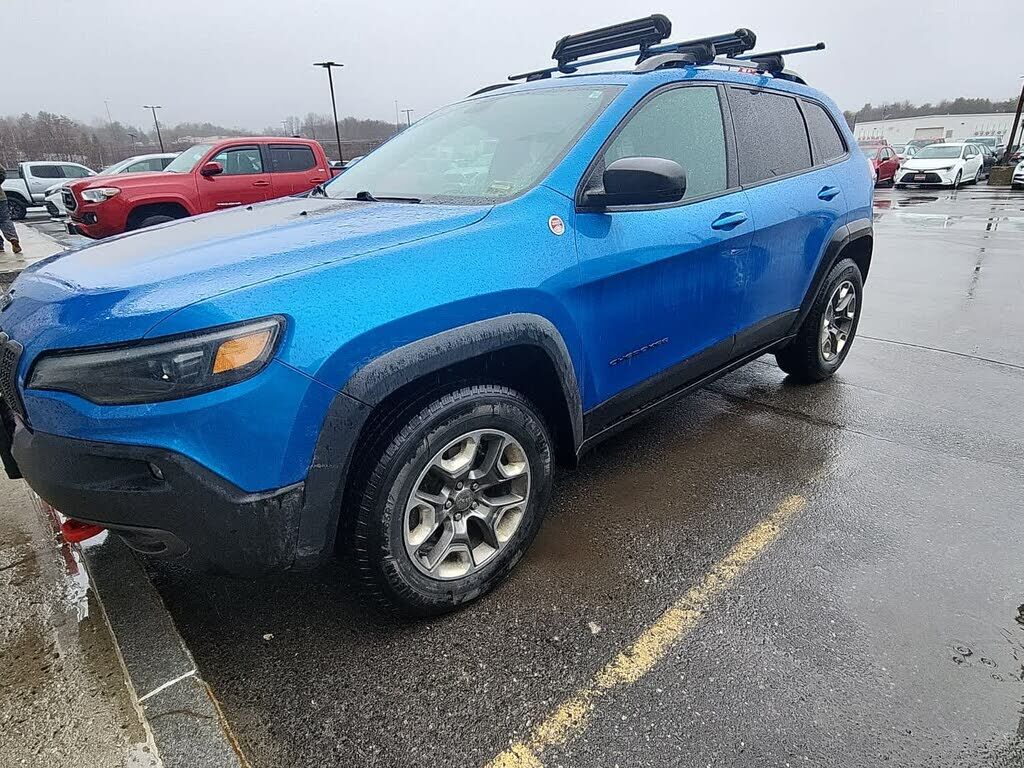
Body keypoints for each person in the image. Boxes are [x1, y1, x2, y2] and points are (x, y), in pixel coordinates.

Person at [0, 169, 23, 254]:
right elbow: (2, 172)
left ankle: (0, 245)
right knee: (5, 220)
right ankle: (13, 238)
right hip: (1, 198)